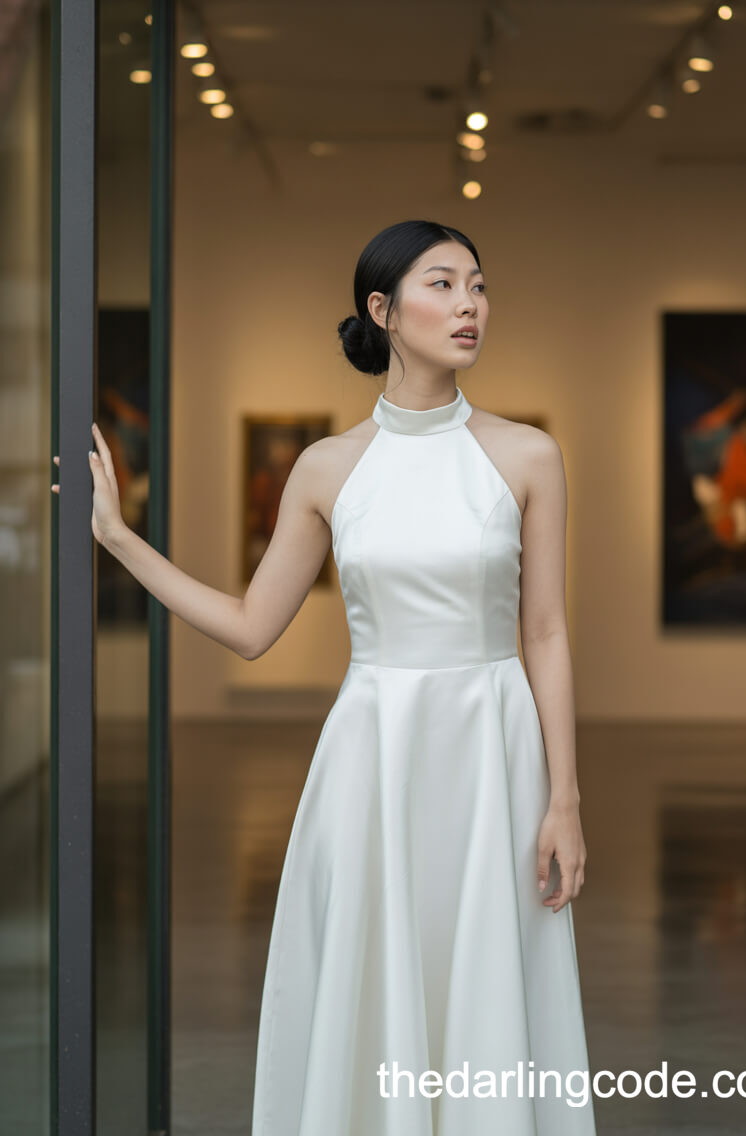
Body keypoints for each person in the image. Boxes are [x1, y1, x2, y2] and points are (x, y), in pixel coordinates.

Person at [52, 218, 597, 1134]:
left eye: (478, 285)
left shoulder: (527, 456)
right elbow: (250, 626)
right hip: (370, 758)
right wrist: (117, 539)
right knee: (372, 972)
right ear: (381, 311)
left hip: (493, 755)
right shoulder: (327, 468)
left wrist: (566, 798)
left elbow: (544, 632)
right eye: (443, 284)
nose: (469, 304)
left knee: (488, 977)